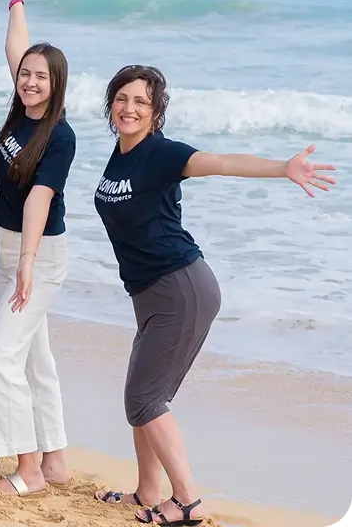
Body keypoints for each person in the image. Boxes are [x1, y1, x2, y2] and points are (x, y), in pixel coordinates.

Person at [91, 65, 336, 526]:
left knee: (144, 399)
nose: (129, 108)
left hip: (179, 288)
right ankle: (148, 489)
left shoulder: (161, 154)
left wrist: (282, 169)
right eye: (122, 99)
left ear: (156, 112)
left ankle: (186, 502)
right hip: (151, 294)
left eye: (141, 102)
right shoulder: (120, 155)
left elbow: (222, 163)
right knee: (143, 396)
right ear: (111, 105)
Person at [0, 0, 75, 496]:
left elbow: (40, 199)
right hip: (9, 249)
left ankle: (29, 470)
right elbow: (17, 47)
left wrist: (26, 263)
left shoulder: (58, 136)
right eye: (26, 74)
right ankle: (57, 459)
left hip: (37, 255)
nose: (31, 80)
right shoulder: (22, 109)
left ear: (56, 84)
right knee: (35, 357)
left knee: (0, 359)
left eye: (41, 76)